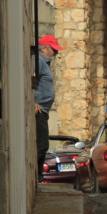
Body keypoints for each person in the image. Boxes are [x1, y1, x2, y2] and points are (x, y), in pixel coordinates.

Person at [35, 35, 62, 181]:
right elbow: (29, 80)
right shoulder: (38, 62)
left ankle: (38, 175)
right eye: (53, 49)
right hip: (39, 111)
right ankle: (38, 176)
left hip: (43, 111)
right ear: (44, 48)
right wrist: (33, 101)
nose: (55, 53)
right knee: (42, 145)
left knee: (42, 145)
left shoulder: (44, 63)